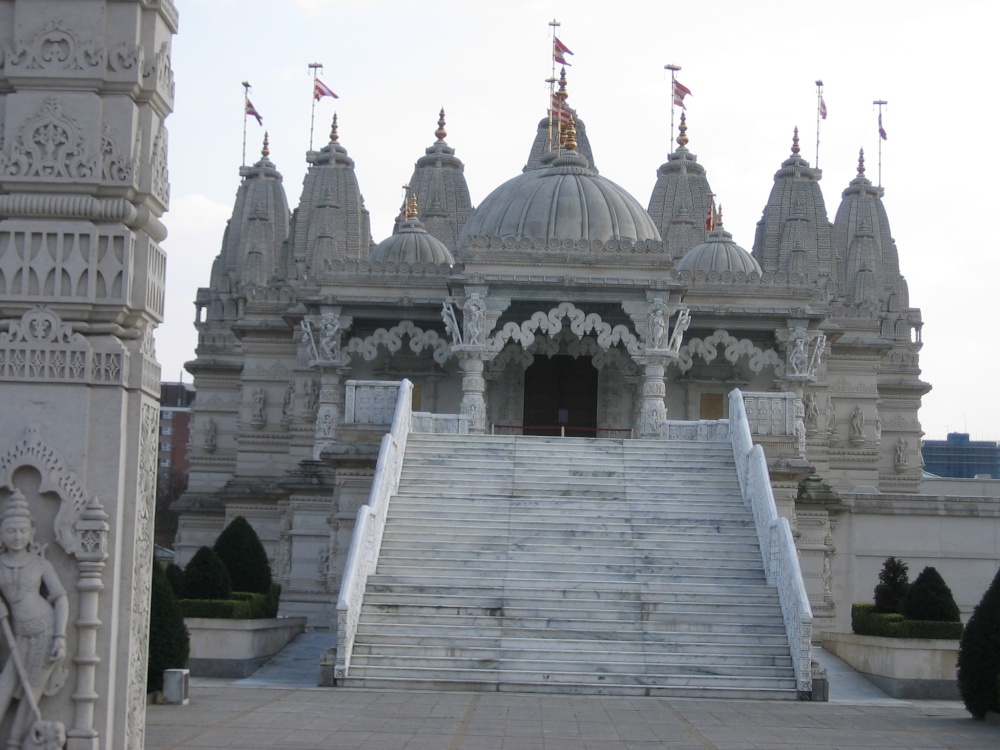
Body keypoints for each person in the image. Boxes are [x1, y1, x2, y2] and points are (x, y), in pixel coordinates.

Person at [0, 490, 68, 747]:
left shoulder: (39, 564)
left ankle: (14, 744)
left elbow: (60, 597)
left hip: (45, 630)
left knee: (33, 691)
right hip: (17, 635)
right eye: (10, 531)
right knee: (5, 686)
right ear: (2, 534)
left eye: (21, 531)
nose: (17, 536)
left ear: (30, 533)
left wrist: (60, 637)